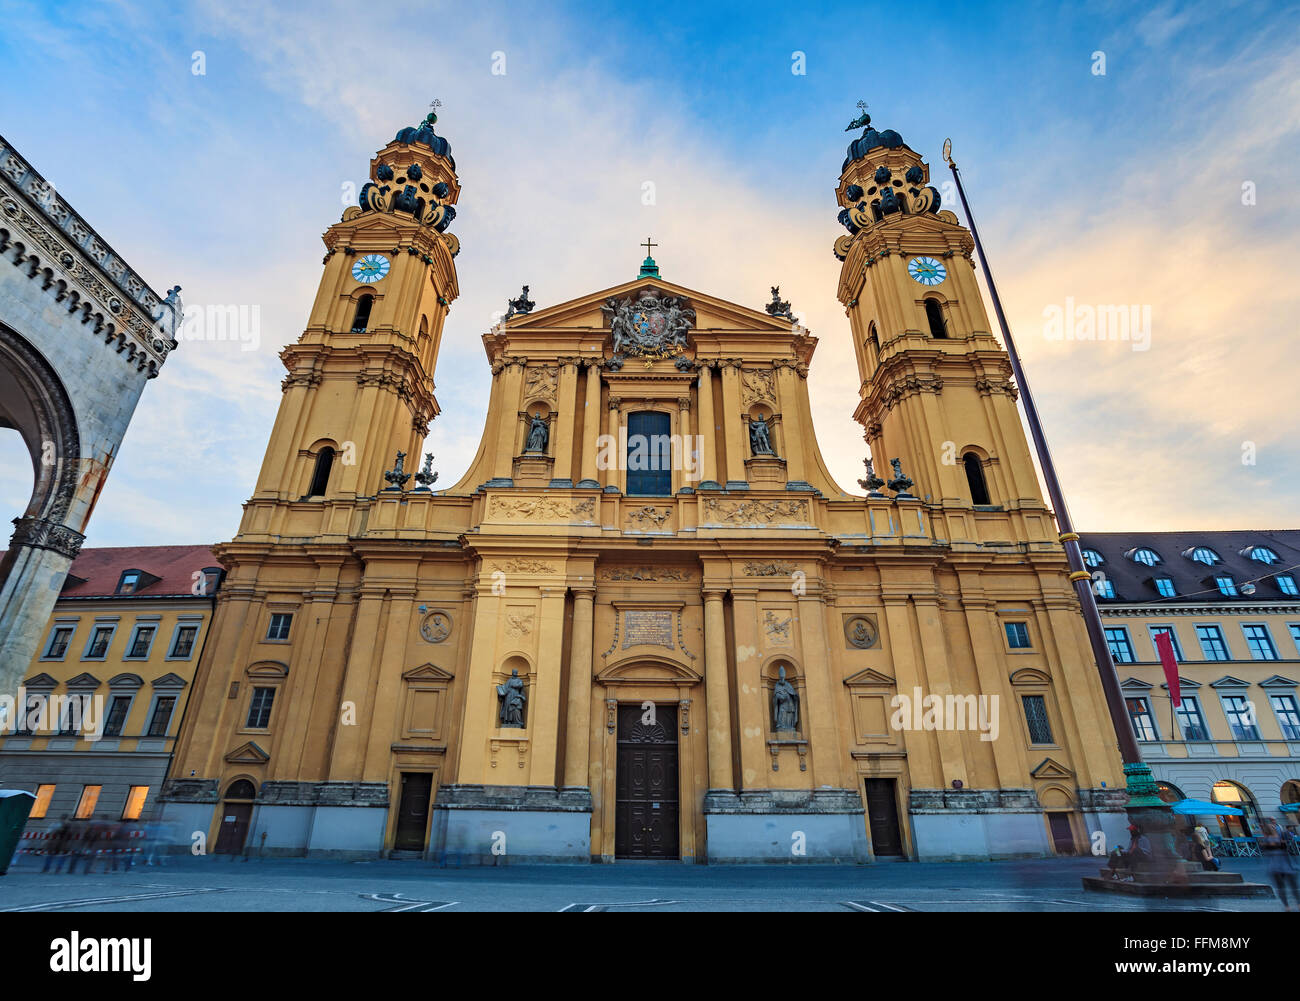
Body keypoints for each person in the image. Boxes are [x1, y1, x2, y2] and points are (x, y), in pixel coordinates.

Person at [1262, 819, 1299, 912]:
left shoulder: (1267, 840)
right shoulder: (1277, 838)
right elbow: (1284, 846)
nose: (1274, 826)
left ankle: (1288, 906)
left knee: (1282, 888)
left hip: (1275, 866)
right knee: (1292, 886)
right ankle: (1295, 905)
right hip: (1284, 865)